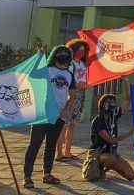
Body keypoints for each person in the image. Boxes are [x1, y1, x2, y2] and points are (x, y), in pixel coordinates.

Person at [22, 45, 76, 188]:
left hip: (58, 116)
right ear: (54, 55)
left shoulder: (69, 74)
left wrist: (66, 109)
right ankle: (27, 177)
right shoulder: (46, 69)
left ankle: (47, 174)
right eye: (60, 52)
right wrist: (39, 56)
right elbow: (32, 74)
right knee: (34, 145)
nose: (63, 54)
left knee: (51, 145)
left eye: (66, 53)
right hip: (42, 114)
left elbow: (73, 94)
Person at [91, 80, 134, 181]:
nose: (112, 105)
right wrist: (130, 133)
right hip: (99, 153)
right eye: (109, 103)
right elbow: (111, 140)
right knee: (110, 159)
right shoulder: (98, 121)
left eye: (113, 103)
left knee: (131, 176)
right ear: (103, 105)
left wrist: (126, 81)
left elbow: (127, 100)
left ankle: (111, 166)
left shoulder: (114, 115)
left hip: (112, 153)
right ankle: (100, 170)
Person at [56, 38, 89, 161]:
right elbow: (69, 81)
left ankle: (68, 152)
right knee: (63, 125)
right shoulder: (70, 65)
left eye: (84, 51)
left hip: (80, 95)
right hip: (71, 95)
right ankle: (59, 153)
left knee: (72, 125)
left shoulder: (82, 64)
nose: (81, 53)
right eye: (79, 50)